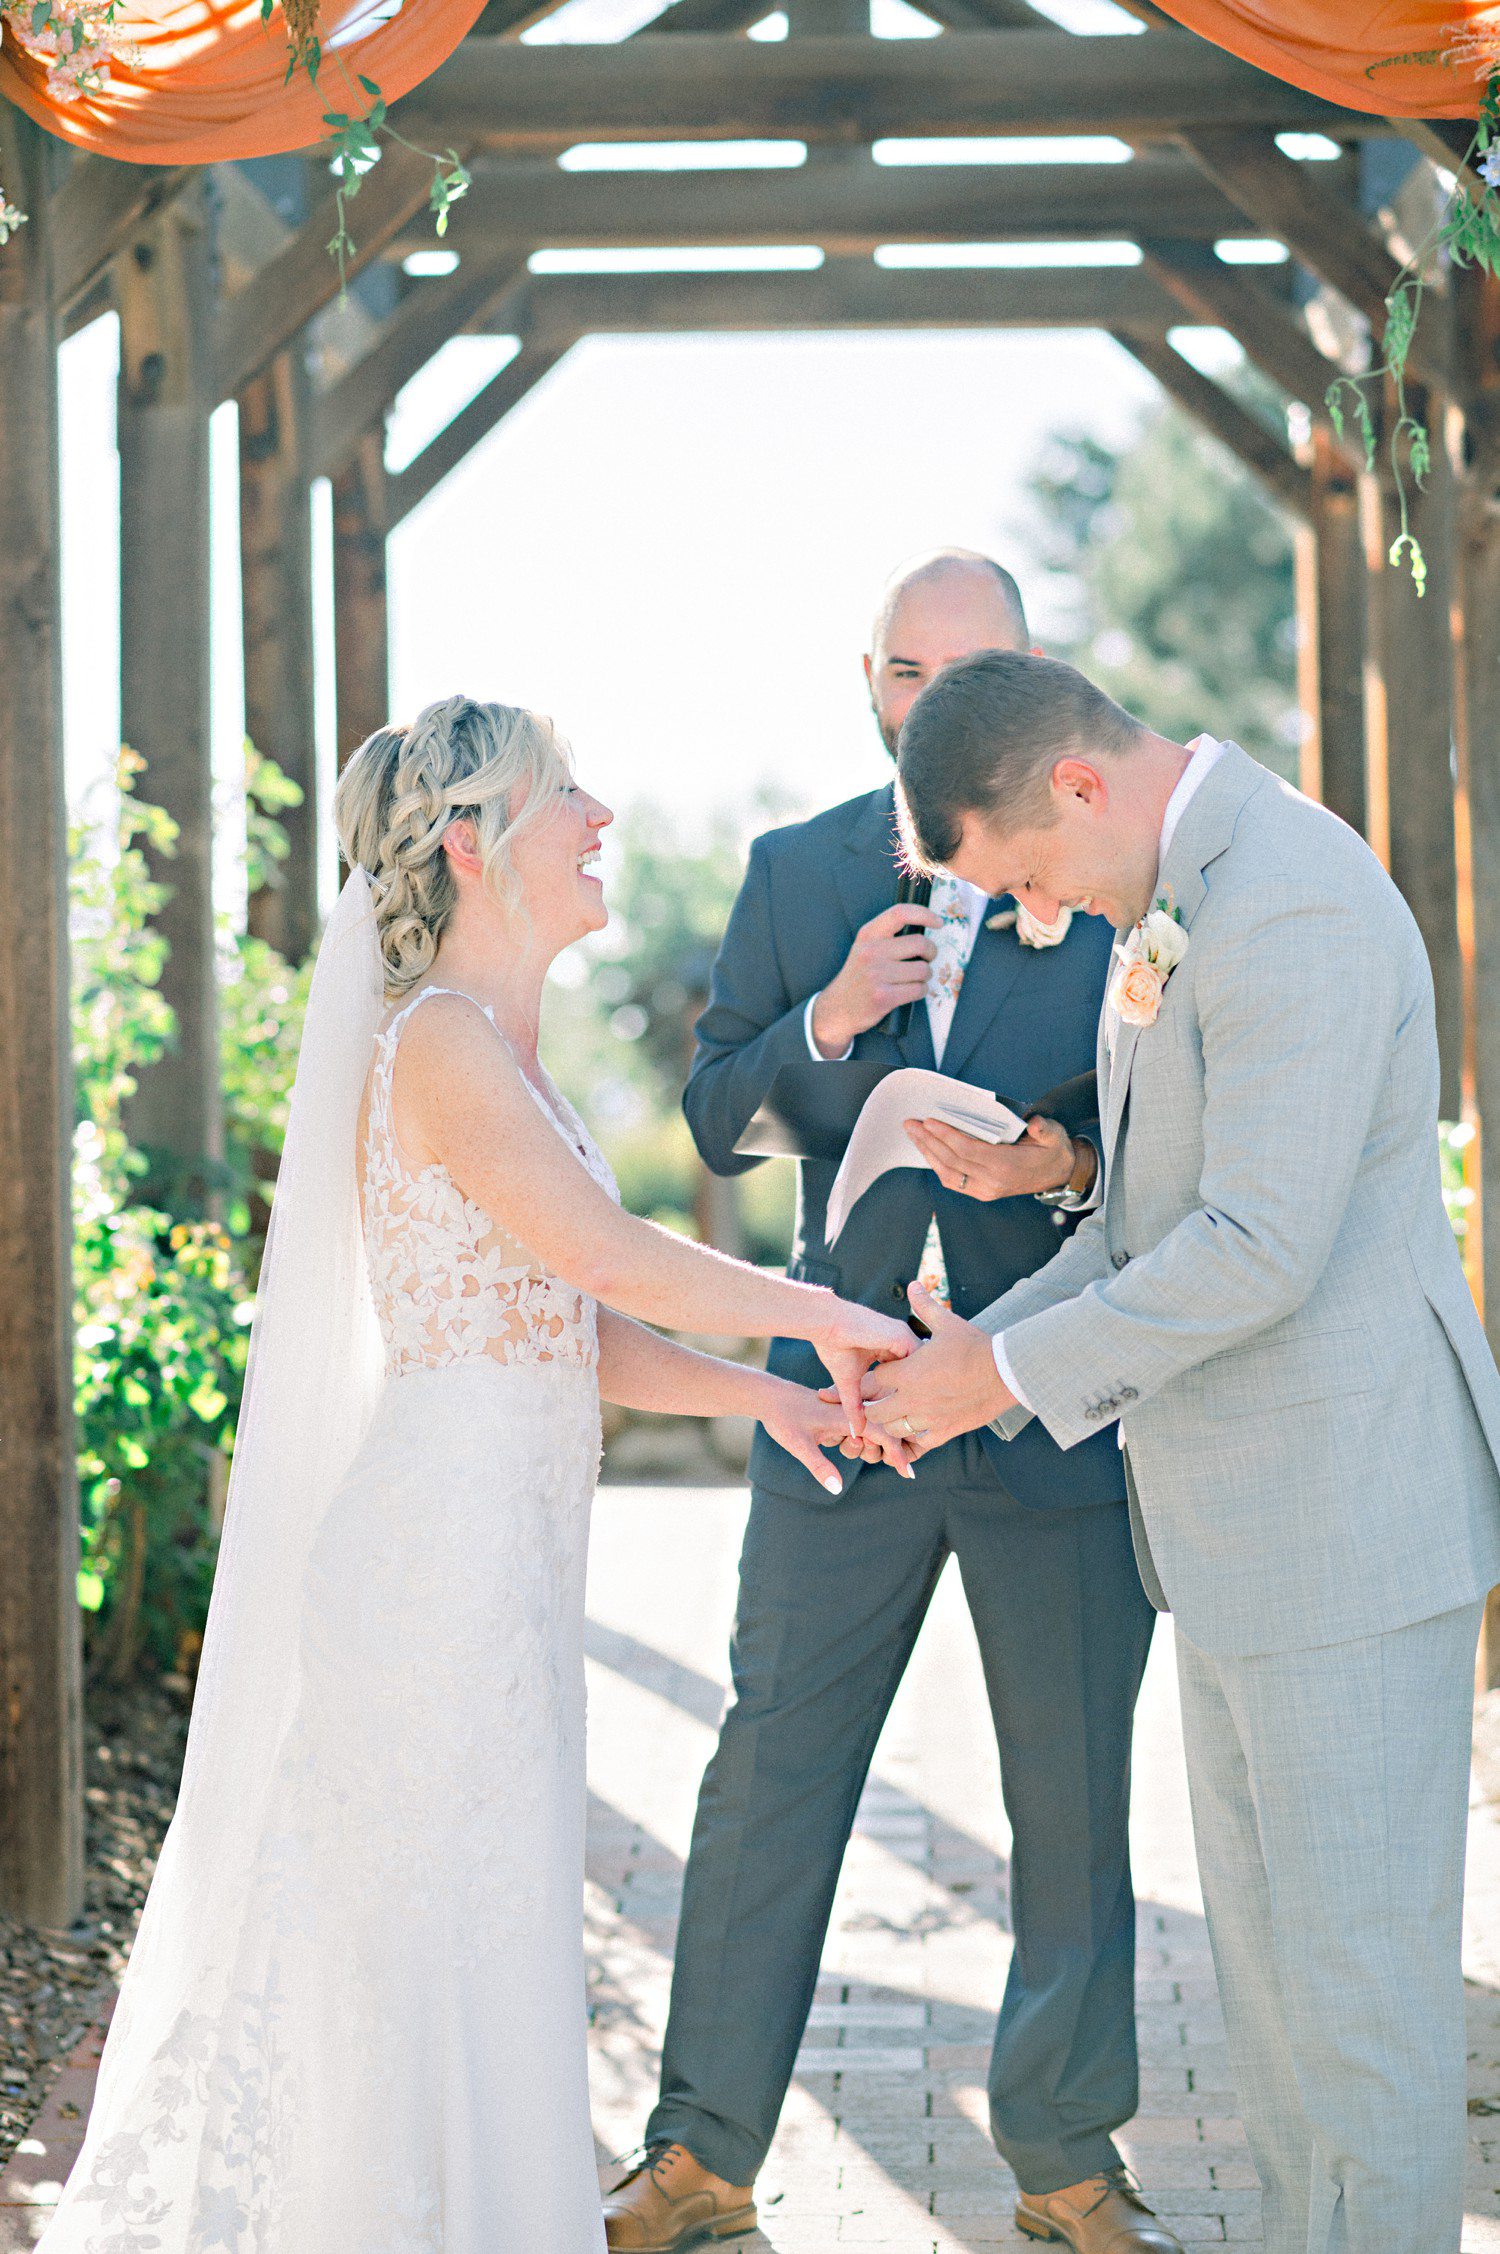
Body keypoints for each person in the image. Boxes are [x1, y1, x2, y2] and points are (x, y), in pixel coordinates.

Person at [35, 696, 915, 2254]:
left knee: (486, 1924)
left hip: (497, 1560)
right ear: (471, 842)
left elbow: (560, 1325)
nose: (601, 815)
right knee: (428, 1934)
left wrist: (771, 1398)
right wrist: (825, 1312)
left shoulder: (501, 1048)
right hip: (434, 1562)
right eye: (562, 791)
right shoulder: (437, 1042)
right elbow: (604, 1252)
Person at [863, 647, 1500, 2254]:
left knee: (1361, 2004)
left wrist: (999, 1368)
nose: (1051, 913)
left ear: (1079, 784)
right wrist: (977, 1372)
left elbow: (1254, 1248)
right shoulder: (1179, 891)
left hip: (1347, 1528)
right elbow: (1148, 1221)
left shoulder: (1284, 893)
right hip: (1236, 1540)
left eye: (1030, 874)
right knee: (1276, 2001)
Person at [604, 555, 1181, 2254]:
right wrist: (826, 1018)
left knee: (1071, 1790)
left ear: (1037, 680)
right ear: (868, 679)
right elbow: (716, 1112)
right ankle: (700, 2152)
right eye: (908, 669)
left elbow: (1152, 1140)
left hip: (1036, 1400)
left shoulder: (1109, 875)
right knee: (771, 1767)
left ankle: (1069, 2163)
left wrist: (1056, 1161)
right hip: (833, 1417)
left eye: (974, 667)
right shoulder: (793, 871)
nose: (935, 699)